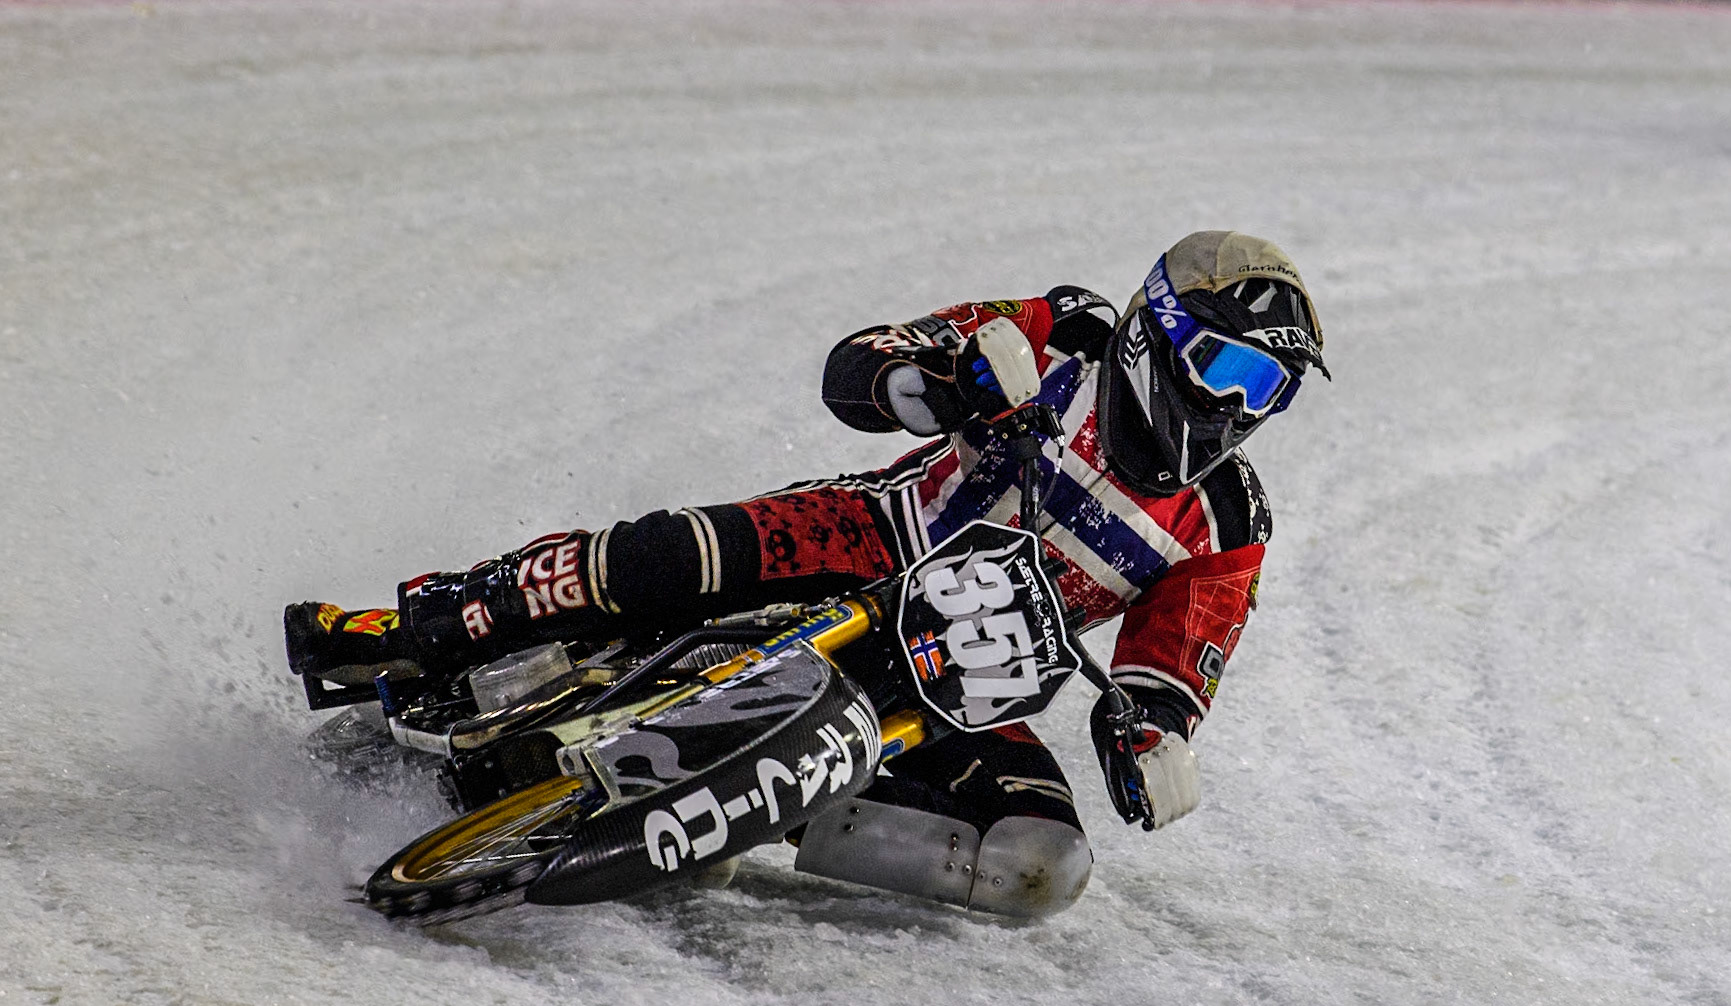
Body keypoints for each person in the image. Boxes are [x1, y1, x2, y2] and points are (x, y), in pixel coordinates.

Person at [285, 230, 1327, 917]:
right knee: (657, 558)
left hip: (966, 683)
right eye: (1229, 368)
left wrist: (1151, 736)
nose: (1239, 407)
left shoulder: (1230, 520)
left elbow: (1172, 663)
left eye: (1268, 389)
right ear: (1161, 332)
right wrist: (939, 376)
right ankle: (415, 627)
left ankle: (766, 805)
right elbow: (862, 362)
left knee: (1041, 864)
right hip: (862, 539)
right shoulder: (1068, 334)